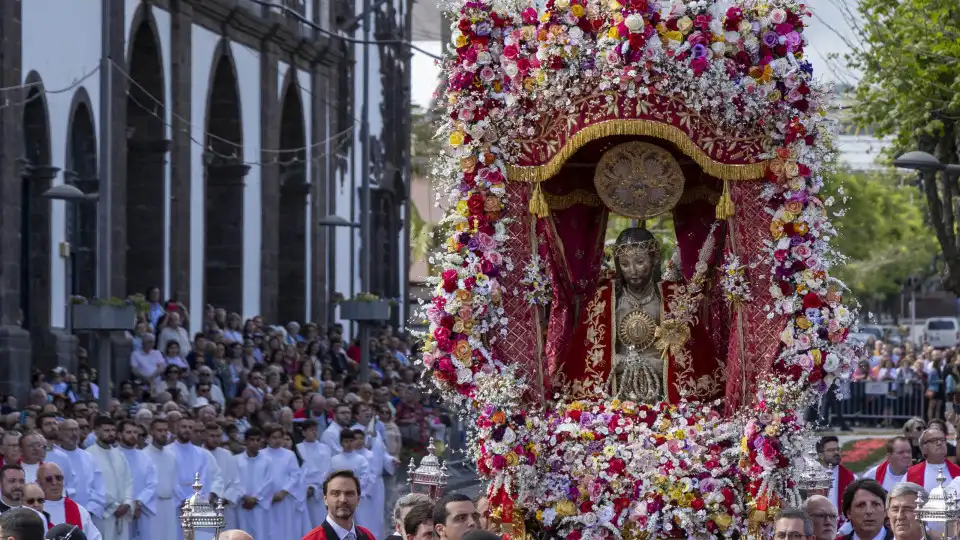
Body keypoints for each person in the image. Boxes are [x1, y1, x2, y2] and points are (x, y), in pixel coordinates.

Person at [84, 416, 134, 540]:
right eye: (106, 430)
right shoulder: (89, 454)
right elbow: (91, 487)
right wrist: (114, 506)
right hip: (103, 514)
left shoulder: (119, 454)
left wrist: (127, 503)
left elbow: (128, 481)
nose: (111, 433)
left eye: (113, 430)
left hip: (122, 513)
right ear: (96, 431)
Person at [261, 425, 307, 540]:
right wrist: (267, 494)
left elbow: (295, 475)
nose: (277, 441)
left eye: (280, 437)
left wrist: (284, 491)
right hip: (267, 499)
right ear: (267, 439)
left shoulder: (289, 455)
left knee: (286, 528)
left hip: (285, 499)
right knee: (269, 529)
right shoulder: (261, 454)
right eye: (274, 437)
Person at [301, 470, 374, 540]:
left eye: (349, 493)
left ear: (358, 499)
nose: (343, 499)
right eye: (335, 493)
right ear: (325, 499)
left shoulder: (368, 536)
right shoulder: (312, 538)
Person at [35, 463, 101, 540]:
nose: (54, 482)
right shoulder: (35, 510)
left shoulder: (79, 511)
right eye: (49, 479)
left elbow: (94, 537)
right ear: (38, 483)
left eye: (58, 478)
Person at [55, 420, 105, 520]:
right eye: (69, 430)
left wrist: (89, 511)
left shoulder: (89, 458)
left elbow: (99, 488)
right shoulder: (54, 456)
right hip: (60, 513)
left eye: (76, 430)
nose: (74, 434)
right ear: (60, 432)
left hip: (87, 515)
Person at [115, 420, 156, 540]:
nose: (133, 435)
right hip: (120, 509)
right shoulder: (113, 455)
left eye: (135, 432)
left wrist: (138, 503)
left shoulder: (145, 457)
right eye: (128, 432)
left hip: (141, 510)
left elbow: (152, 483)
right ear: (119, 434)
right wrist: (126, 506)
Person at [233, 428, 273, 540]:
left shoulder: (267, 461)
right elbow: (234, 481)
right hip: (242, 504)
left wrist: (255, 498)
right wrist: (244, 496)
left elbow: (269, 482)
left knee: (261, 533)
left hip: (259, 504)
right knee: (242, 532)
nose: (255, 443)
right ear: (245, 441)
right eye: (252, 440)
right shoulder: (236, 460)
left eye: (258, 440)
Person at [140, 419, 176, 540]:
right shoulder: (143, 455)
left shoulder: (171, 455)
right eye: (159, 430)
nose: (163, 433)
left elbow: (175, 481)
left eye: (165, 430)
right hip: (151, 507)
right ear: (152, 432)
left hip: (170, 505)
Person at [200, 424, 240, 531]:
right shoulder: (198, 454)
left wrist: (225, 498)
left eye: (218, 436)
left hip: (224, 506)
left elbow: (235, 481)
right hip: (204, 505)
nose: (216, 439)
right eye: (212, 436)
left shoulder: (227, 455)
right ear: (204, 436)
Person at [296, 420, 331, 528]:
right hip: (302, 492)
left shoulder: (325, 449)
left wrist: (314, 487)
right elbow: (298, 471)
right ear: (304, 432)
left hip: (319, 492)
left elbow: (326, 470)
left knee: (320, 524)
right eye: (311, 430)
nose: (314, 432)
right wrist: (305, 487)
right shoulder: (298, 448)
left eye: (315, 430)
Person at [818, 436, 856, 529]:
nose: (836, 453)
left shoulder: (851, 478)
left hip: (842, 529)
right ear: (820, 455)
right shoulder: (812, 476)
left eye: (837, 449)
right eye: (831, 450)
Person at [906, 427, 960, 492]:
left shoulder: (958, 472)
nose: (939, 443)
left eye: (942, 439)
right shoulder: (910, 474)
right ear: (924, 449)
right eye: (933, 440)